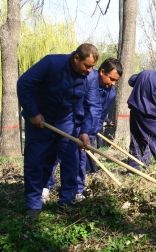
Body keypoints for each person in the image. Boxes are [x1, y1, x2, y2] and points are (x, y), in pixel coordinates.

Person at [17, 43, 100, 218]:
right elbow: (25, 83)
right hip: (41, 120)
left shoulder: (91, 77)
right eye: (87, 66)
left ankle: (66, 201)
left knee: (71, 160)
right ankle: (33, 204)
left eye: (92, 67)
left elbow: (93, 107)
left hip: (67, 122)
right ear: (76, 58)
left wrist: (85, 131)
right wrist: (33, 113)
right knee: (36, 161)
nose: (89, 71)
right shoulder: (52, 63)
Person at [42, 58, 123, 203]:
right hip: (69, 123)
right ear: (102, 72)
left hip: (87, 129)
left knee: (80, 158)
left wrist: (90, 131)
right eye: (111, 79)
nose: (113, 83)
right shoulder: (86, 79)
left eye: (116, 81)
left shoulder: (110, 93)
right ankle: (46, 186)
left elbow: (99, 114)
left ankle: (77, 190)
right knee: (55, 155)